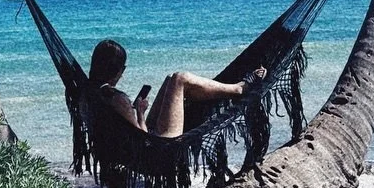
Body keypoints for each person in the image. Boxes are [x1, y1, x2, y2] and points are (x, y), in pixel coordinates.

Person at [87, 37, 266, 139]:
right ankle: (238, 88)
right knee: (180, 79)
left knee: (170, 80)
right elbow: (141, 139)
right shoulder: (118, 99)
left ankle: (198, 97)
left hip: (142, 146)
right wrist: (140, 113)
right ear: (120, 70)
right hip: (160, 147)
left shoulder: (90, 93)